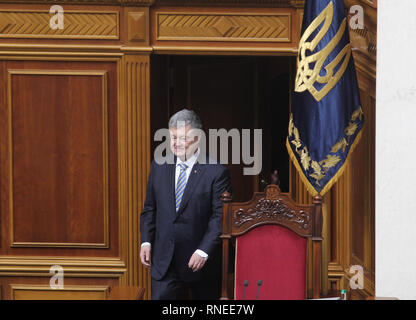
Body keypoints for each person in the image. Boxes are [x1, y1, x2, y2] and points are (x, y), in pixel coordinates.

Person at [140, 109, 232, 300]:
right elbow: (150, 208)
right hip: (165, 261)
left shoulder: (216, 172)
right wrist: (146, 241)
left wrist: (203, 251)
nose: (176, 143)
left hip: (201, 263)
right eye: (172, 137)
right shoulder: (159, 166)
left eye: (182, 138)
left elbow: (220, 217)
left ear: (197, 138)